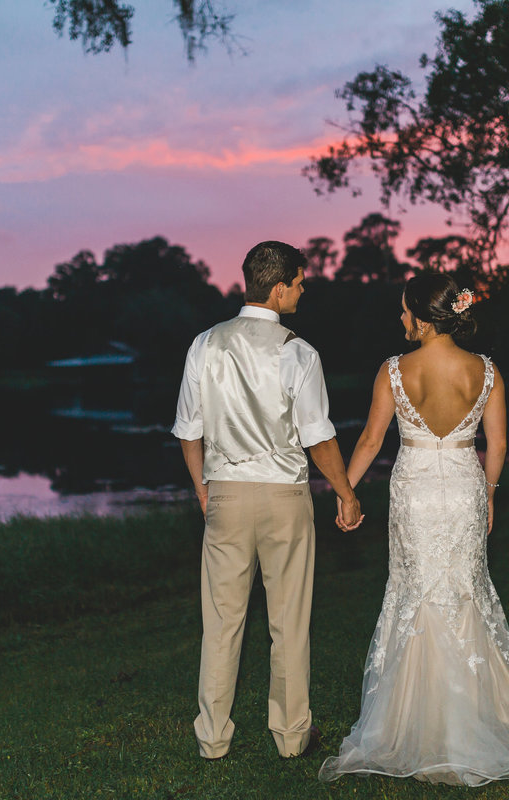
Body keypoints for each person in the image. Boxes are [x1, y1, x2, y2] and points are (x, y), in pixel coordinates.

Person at [319, 272, 509, 786]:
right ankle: (481, 709)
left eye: (404, 311)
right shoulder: (487, 370)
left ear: (425, 318)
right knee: (463, 590)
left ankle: (413, 719)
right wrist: (490, 493)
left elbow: (369, 440)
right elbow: (496, 448)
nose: (400, 319)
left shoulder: (393, 370)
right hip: (462, 489)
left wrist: (346, 492)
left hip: (413, 492)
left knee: (413, 590)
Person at [173, 240, 363, 761]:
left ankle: (212, 739)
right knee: (288, 621)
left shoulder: (204, 344)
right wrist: (345, 492)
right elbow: (319, 438)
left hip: (226, 498)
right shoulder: (298, 352)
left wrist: (202, 489)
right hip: (284, 498)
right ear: (279, 288)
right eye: (300, 283)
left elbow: (189, 431)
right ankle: (291, 735)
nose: (303, 291)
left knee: (221, 621)